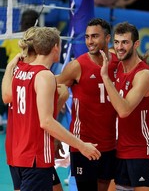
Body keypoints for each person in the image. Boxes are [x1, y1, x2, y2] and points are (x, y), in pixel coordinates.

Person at [1, 26, 101, 191]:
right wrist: (82, 146)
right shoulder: (44, 76)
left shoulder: (21, 71)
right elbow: (46, 122)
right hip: (35, 156)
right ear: (56, 46)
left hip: (18, 155)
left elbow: (9, 96)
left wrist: (12, 65)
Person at [56, 18, 118, 191]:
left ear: (107, 38)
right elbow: (56, 87)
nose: (90, 41)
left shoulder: (118, 64)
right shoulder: (77, 66)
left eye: (95, 36)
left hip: (111, 143)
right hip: (83, 143)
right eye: (87, 37)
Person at [100, 22, 149, 190]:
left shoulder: (143, 74)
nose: (120, 47)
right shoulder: (118, 67)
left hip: (141, 149)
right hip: (119, 148)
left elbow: (124, 110)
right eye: (117, 42)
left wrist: (105, 78)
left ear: (136, 44)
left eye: (125, 42)